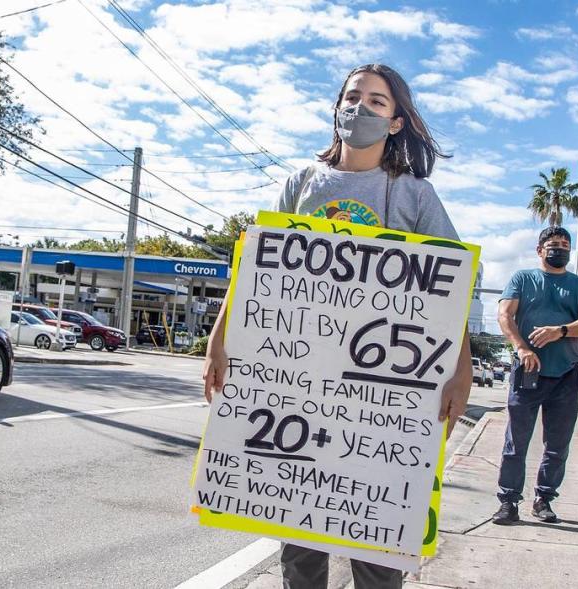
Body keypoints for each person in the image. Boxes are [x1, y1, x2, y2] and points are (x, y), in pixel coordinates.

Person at [202, 63, 474, 589]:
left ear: (396, 122)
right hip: (299, 387)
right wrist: (218, 339)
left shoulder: (416, 196)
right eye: (353, 97)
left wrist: (460, 370)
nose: (361, 108)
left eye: (377, 102)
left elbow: (451, 290)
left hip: (382, 397)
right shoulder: (301, 183)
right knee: (298, 541)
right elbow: (254, 268)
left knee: (378, 548)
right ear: (336, 107)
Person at [493, 226, 578, 525]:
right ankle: (508, 502)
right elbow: (504, 314)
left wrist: (561, 331)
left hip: (566, 374)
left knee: (557, 445)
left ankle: (544, 499)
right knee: (516, 442)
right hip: (528, 372)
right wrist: (521, 348)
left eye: (565, 244)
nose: (560, 249)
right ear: (540, 250)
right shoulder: (522, 279)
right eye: (553, 244)